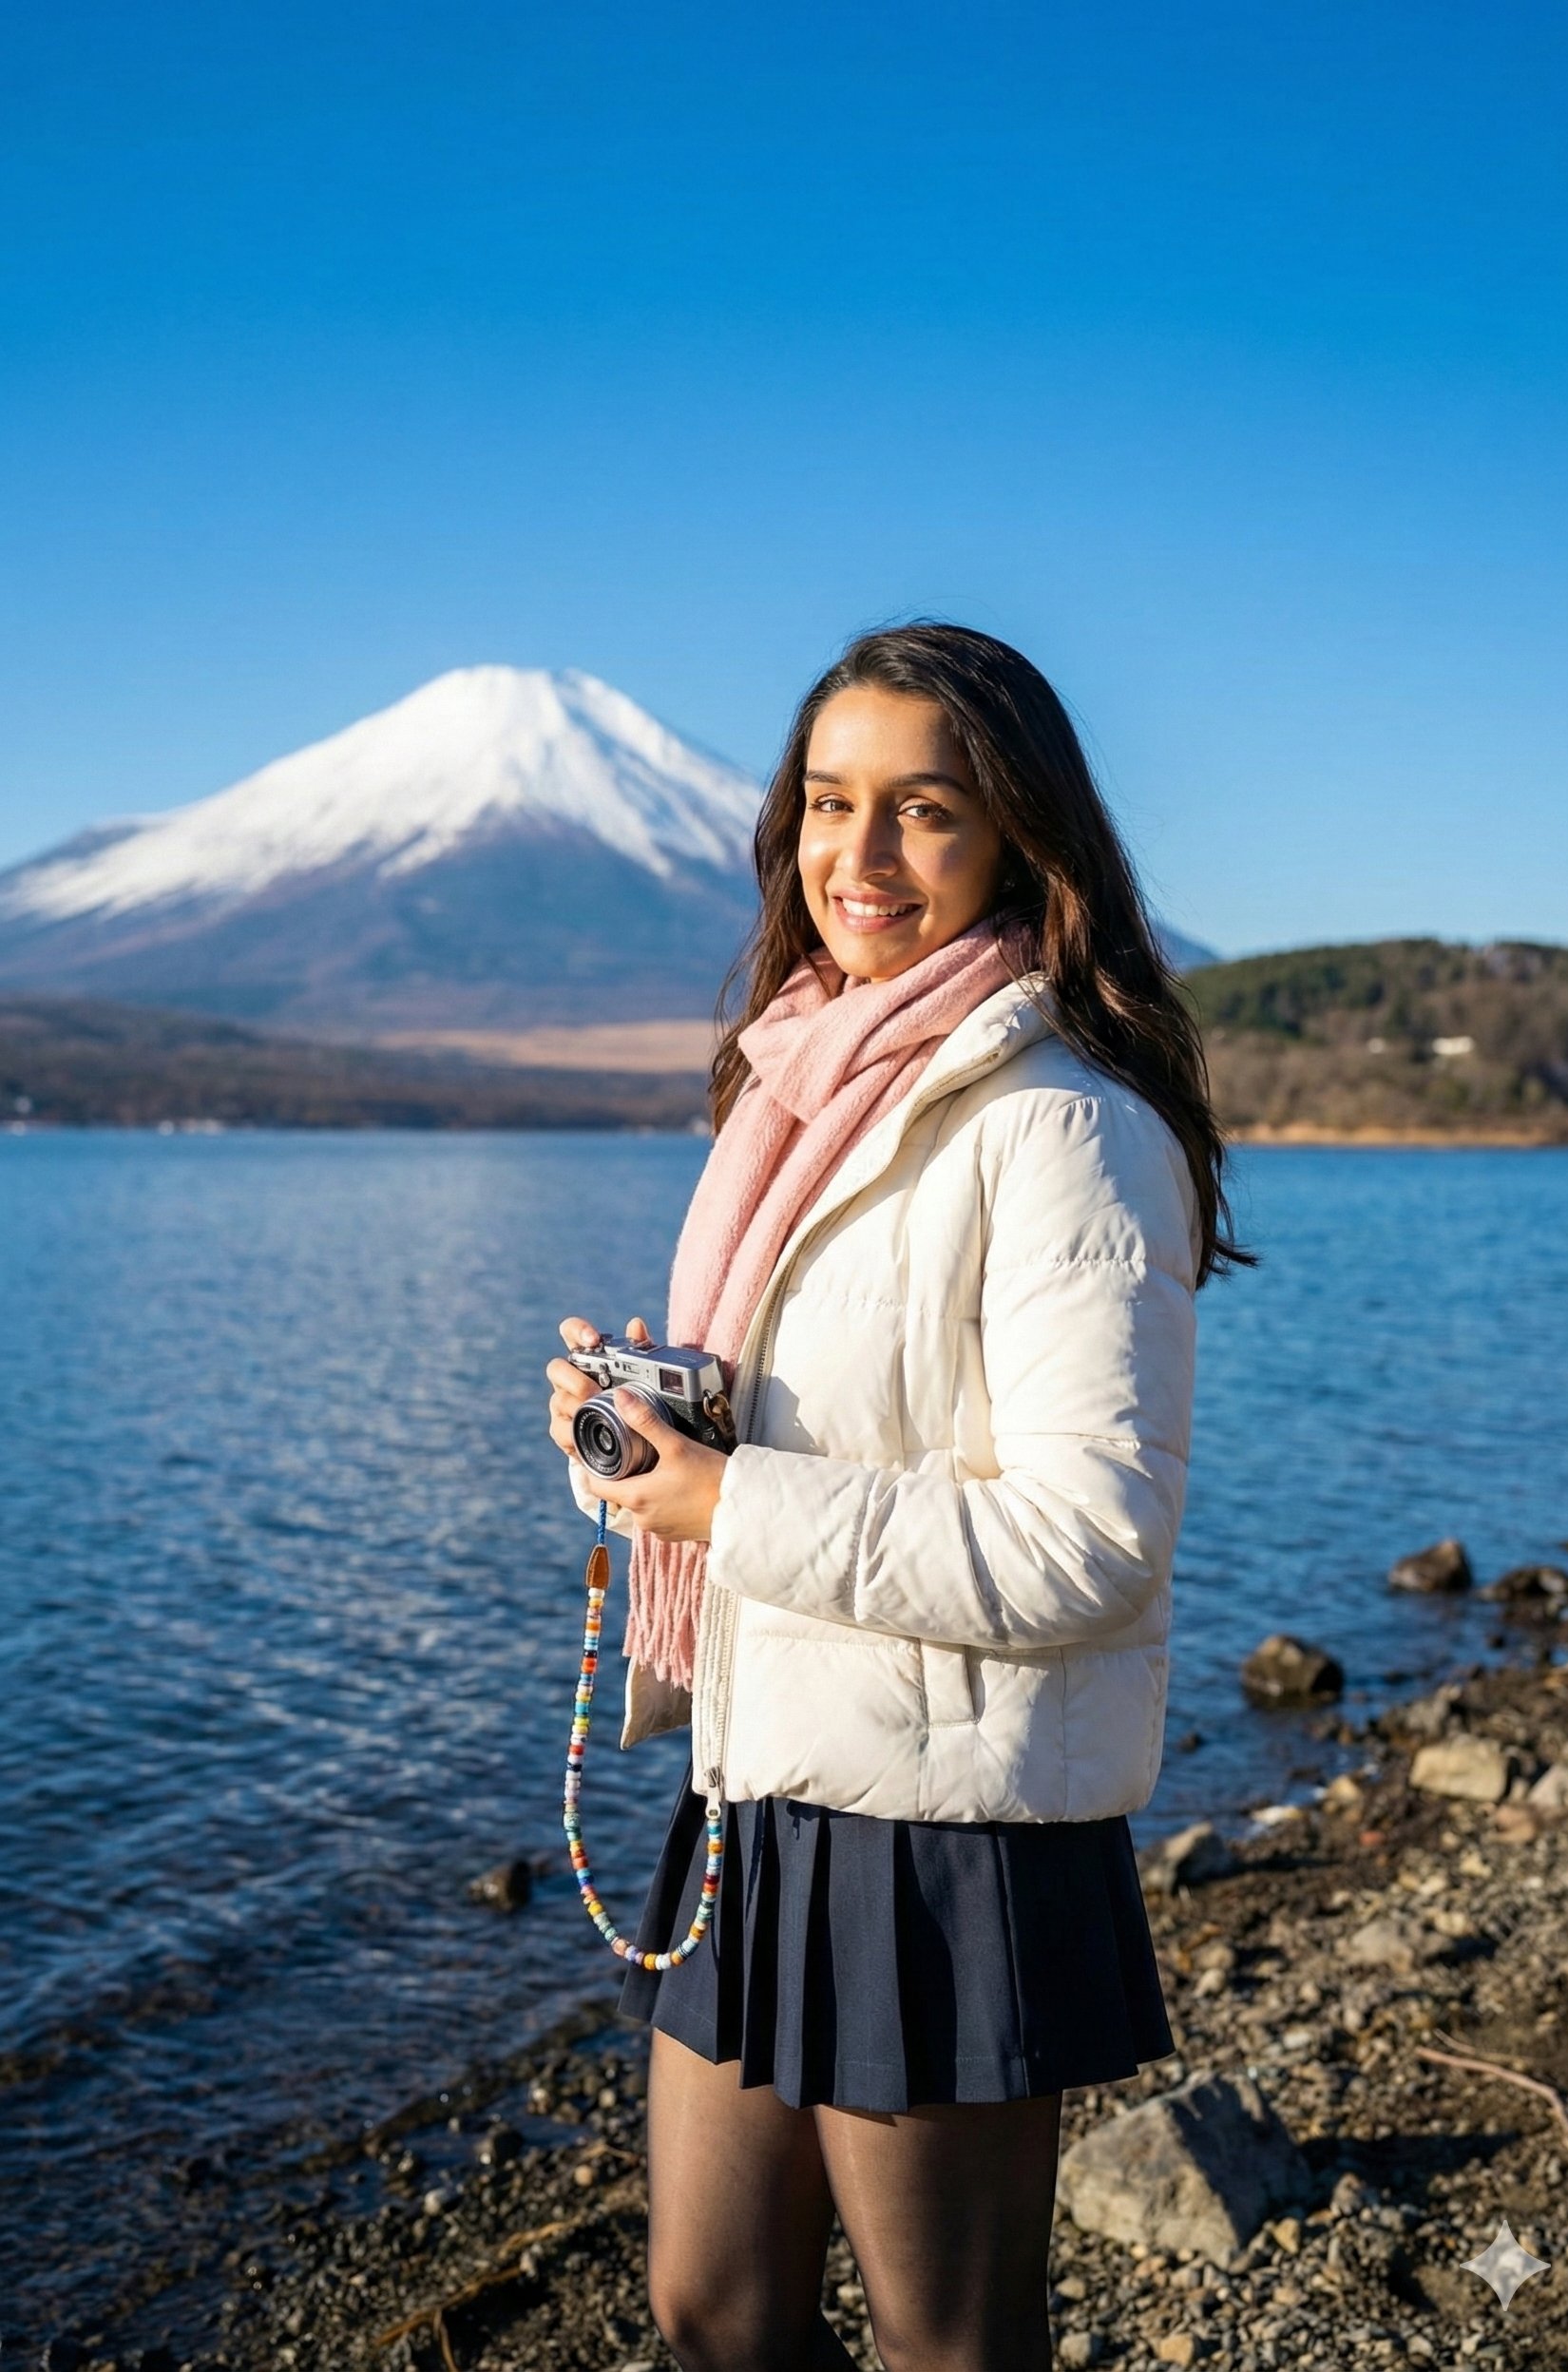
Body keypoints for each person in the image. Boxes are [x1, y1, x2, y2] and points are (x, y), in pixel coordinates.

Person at [547, 623, 1244, 2372]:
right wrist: (650, 1455)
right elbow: (822, 1434)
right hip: (758, 1777)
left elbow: (1089, 1546)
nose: (856, 862)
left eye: (920, 811)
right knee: (710, 2313)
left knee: (953, 2346)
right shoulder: (805, 1092)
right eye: (826, 805)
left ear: (1018, 833)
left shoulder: (1064, 1129)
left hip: (945, 1835)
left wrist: (733, 1504)